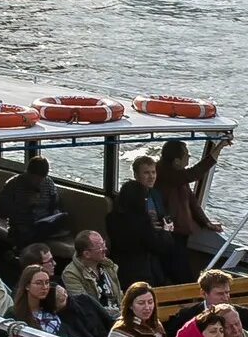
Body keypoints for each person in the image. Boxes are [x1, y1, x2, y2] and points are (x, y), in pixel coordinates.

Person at [157, 137, 231, 279]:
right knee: (180, 274)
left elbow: (191, 201)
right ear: (176, 160)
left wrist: (206, 222)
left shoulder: (177, 175)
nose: (189, 156)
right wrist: (219, 148)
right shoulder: (166, 174)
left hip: (179, 232)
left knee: (181, 272)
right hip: (169, 233)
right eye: (186, 154)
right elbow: (194, 174)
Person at [109, 153, 178, 286]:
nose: (151, 176)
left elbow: (162, 215)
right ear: (135, 175)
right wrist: (161, 231)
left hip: (154, 242)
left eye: (153, 172)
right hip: (140, 250)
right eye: (146, 173)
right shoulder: (126, 198)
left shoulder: (156, 195)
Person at [0, 156, 69, 250]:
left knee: (63, 217)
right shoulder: (12, 185)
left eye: (42, 179)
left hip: (43, 223)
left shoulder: (48, 183)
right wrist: (25, 205)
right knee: (26, 232)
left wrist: (55, 212)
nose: (39, 182)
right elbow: (2, 212)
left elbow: (56, 204)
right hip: (21, 224)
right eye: (35, 178)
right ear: (28, 173)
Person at [167, 269, 248, 337]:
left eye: (227, 292)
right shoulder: (187, 316)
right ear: (203, 293)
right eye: (220, 294)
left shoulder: (243, 314)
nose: (226, 298)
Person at [10, 264, 67, 337]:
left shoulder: (51, 313)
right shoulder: (14, 313)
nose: (44, 287)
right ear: (27, 286)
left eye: (47, 283)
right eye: (39, 283)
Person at [61, 230, 123, 319]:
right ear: (87, 254)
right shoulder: (71, 274)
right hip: (98, 322)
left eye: (103, 244)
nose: (105, 249)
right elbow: (85, 306)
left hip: (119, 318)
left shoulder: (108, 265)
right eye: (100, 247)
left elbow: (119, 296)